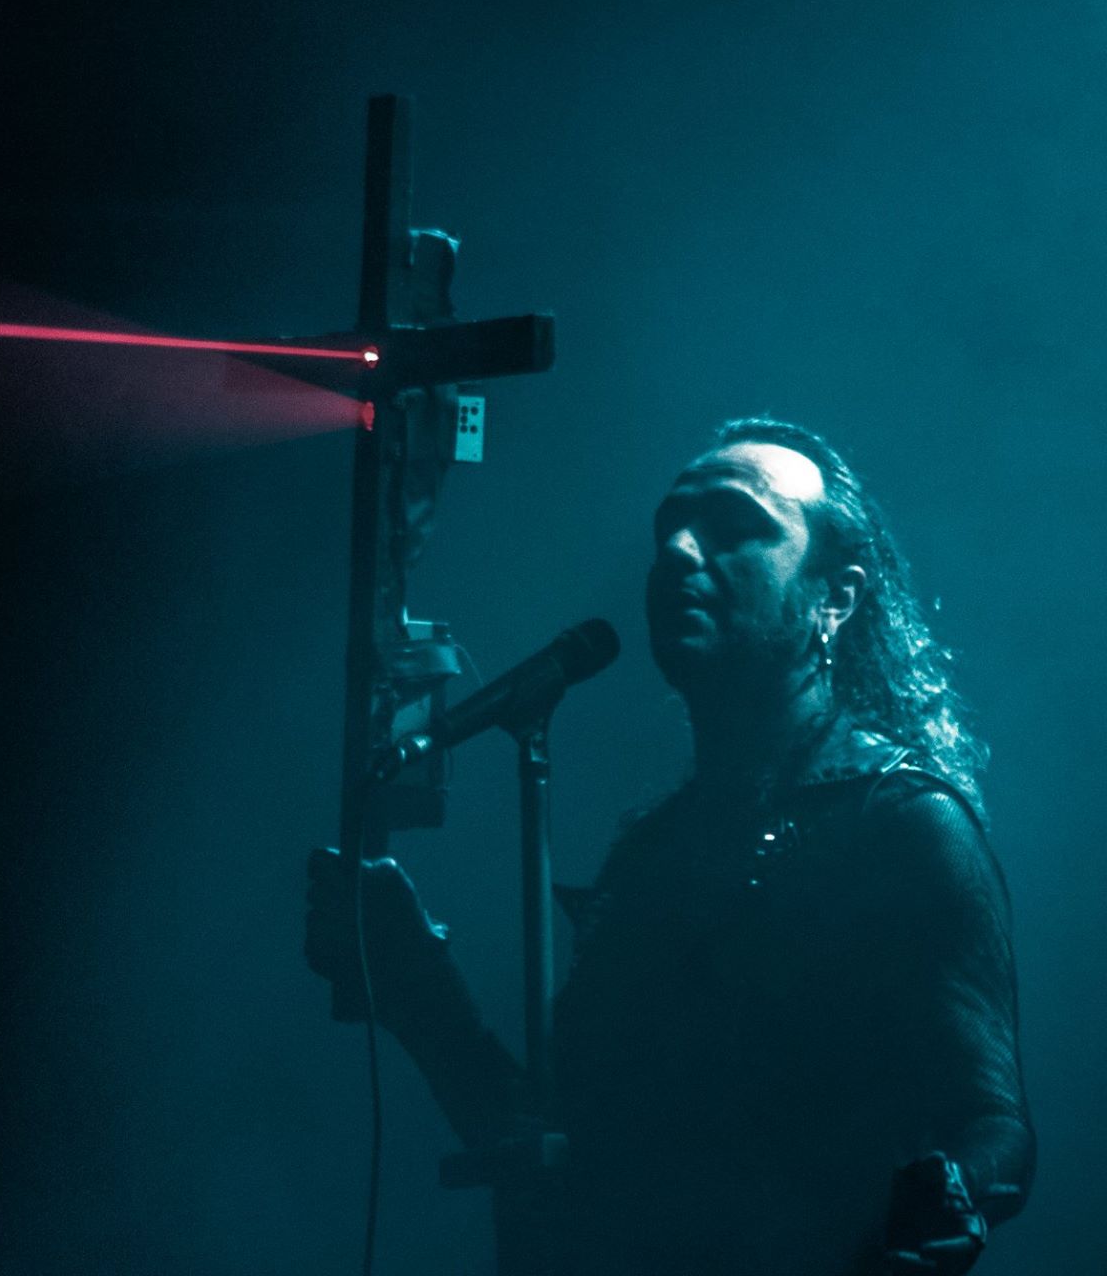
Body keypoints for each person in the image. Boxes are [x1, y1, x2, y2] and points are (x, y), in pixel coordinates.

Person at [307, 418, 1034, 1274]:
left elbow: (996, 1124)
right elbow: (561, 1154)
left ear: (835, 598)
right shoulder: (650, 853)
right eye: (669, 530)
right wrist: (415, 987)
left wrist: (948, 1193)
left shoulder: (903, 823)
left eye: (735, 525)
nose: (680, 550)